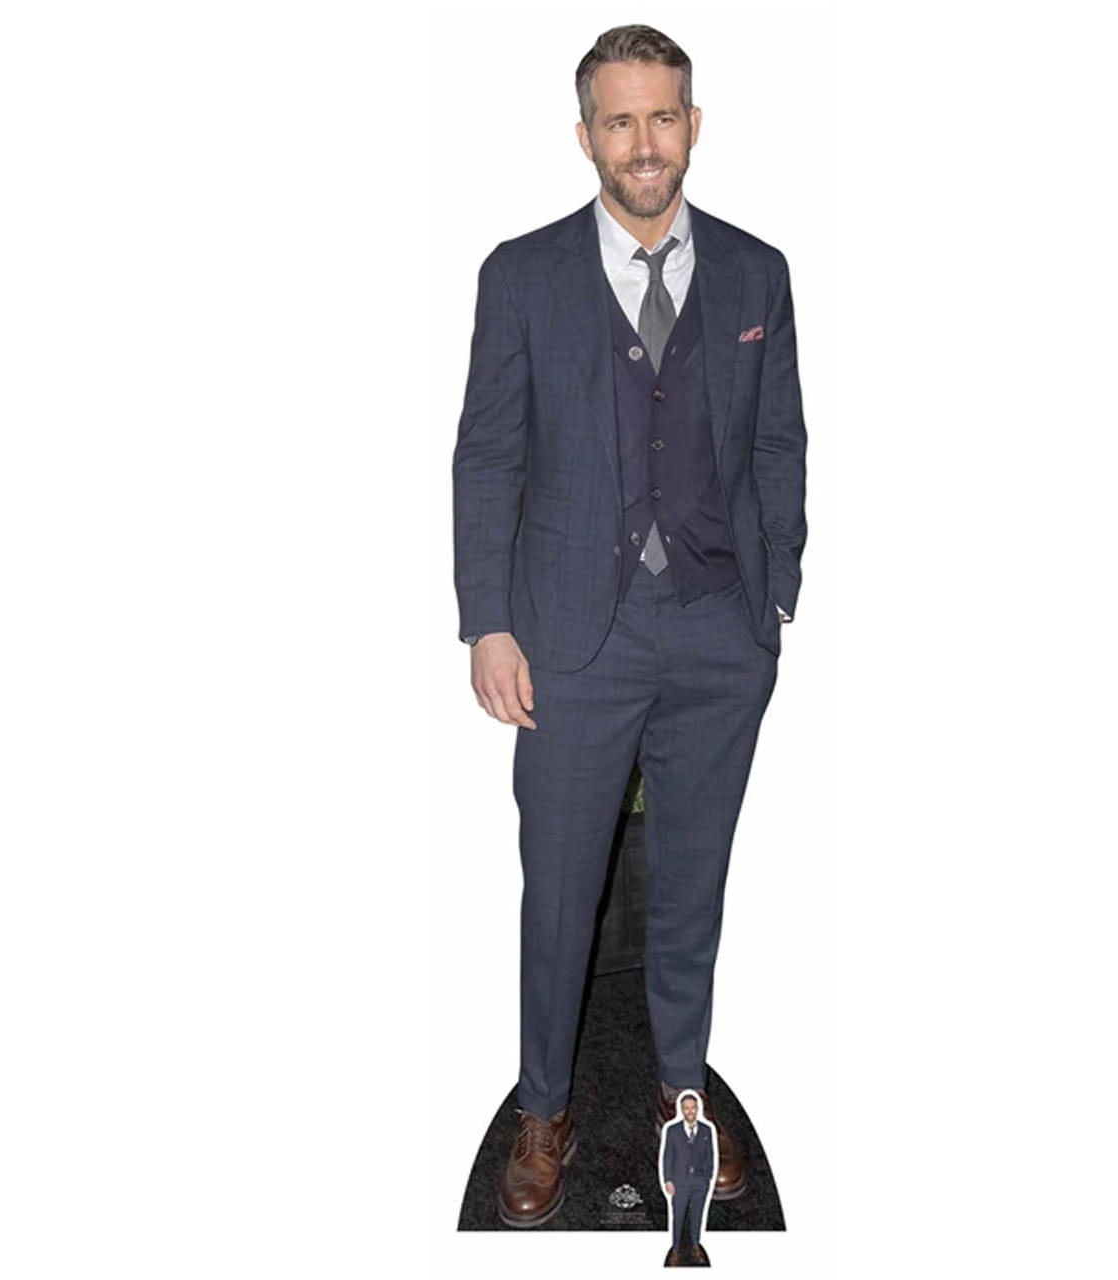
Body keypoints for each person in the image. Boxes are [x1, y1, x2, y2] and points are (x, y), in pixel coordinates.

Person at [452, 24, 807, 1229]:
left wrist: (772, 597)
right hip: (570, 640)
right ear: (585, 135)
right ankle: (543, 1107)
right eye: (619, 121)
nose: (643, 143)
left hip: (716, 633)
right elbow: (488, 454)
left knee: (691, 886)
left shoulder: (757, 273)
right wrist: (489, 624)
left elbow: (777, 441)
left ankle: (680, 1091)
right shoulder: (521, 275)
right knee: (559, 891)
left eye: (662, 117)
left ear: (691, 126)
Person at [660, 1091, 717, 1265]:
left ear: (697, 1108)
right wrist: (668, 1180)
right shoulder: (672, 1130)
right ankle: (676, 1250)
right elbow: (668, 1156)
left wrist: (707, 1178)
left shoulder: (706, 1130)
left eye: (693, 1107)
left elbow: (710, 1156)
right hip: (680, 1182)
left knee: (697, 1216)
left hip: (700, 1183)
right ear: (682, 1110)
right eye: (686, 1108)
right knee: (678, 1217)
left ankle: (695, 1246)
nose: (690, 1111)